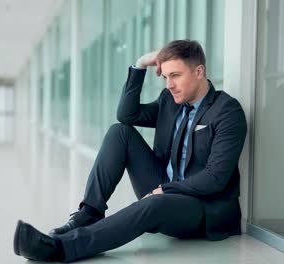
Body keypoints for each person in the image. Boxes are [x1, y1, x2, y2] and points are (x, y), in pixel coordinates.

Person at [13, 39, 247, 262]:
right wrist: (141, 64)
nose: (169, 84)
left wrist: (165, 190)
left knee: (153, 205)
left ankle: (62, 248)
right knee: (119, 132)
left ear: (199, 71)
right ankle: (89, 214)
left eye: (175, 75)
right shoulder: (170, 100)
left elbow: (215, 179)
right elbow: (127, 115)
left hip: (202, 206)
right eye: (165, 77)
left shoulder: (227, 111)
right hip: (165, 187)